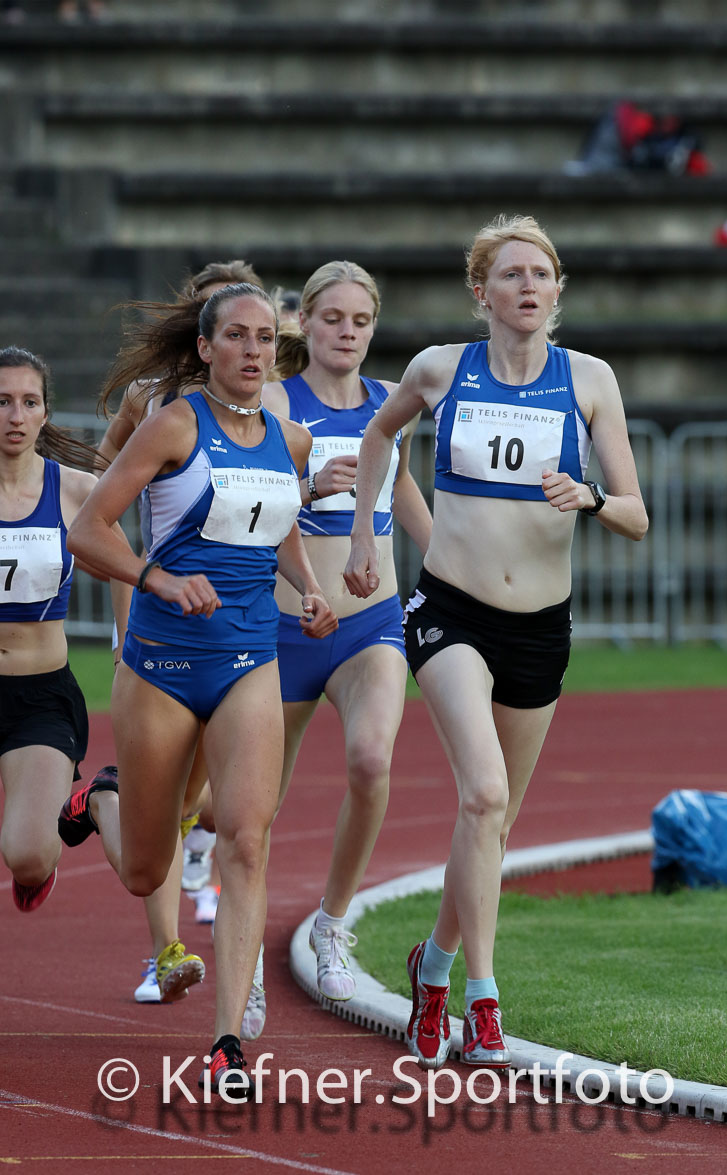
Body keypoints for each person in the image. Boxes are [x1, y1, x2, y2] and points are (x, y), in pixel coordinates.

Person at [344, 214, 648, 1070]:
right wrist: (369, 536)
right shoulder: (441, 368)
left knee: (493, 824)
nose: (526, 286)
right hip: (450, 612)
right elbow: (378, 433)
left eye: (540, 274)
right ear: (481, 292)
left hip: (540, 631)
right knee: (481, 795)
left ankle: (428, 968)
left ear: (557, 291)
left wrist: (585, 494)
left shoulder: (588, 381)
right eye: (509, 274)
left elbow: (635, 514)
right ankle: (482, 999)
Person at [61, 283, 337, 1097]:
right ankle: (103, 801)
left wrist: (309, 587)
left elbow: (276, 520)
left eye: (264, 339)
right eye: (238, 338)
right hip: (162, 666)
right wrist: (161, 578)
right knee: (147, 872)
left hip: (251, 656)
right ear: (208, 348)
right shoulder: (175, 423)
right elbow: (89, 530)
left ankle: (226, 1045)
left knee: (246, 838)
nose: (254, 351)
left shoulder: (289, 438)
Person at [251, 260, 432, 1039]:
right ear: (307, 324)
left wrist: (452, 568)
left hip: (370, 621)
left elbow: (403, 491)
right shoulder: (271, 402)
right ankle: (242, 959)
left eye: (360, 321)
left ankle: (331, 922)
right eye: (332, 319)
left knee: (370, 761)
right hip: (285, 626)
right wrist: (307, 481)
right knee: (254, 808)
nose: (347, 332)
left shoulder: (392, 404)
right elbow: (244, 505)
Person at [97, 258, 262, 1003]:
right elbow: (98, 495)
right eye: (225, 327)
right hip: (151, 620)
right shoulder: (151, 400)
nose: (246, 346)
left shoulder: (266, 411)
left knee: (206, 800)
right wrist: (144, 575)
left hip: (237, 632)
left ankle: (118, 801)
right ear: (197, 335)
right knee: (150, 846)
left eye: (257, 332)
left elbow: (270, 500)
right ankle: (162, 947)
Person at [0, 346, 123, 913]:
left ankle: (82, 808)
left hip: (40, 697)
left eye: (28, 402)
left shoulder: (73, 490)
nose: (15, 416)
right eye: (2, 402)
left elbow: (128, 567)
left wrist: (127, 657)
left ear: (45, 413)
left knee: (26, 857)